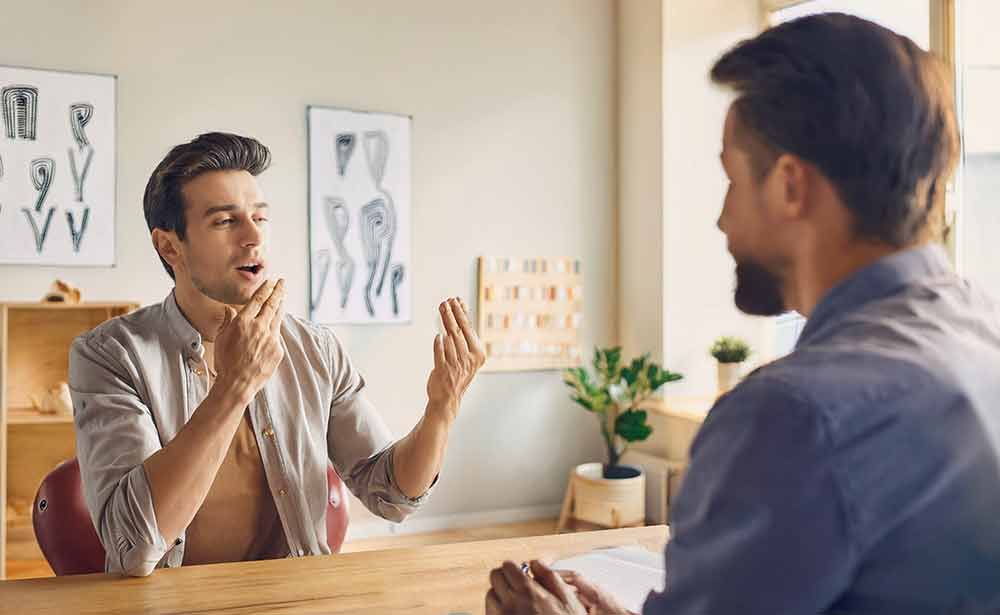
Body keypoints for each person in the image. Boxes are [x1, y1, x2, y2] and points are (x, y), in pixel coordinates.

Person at [487, 13, 1000, 614]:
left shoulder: (791, 418)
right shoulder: (981, 340)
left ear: (789, 186)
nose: (721, 219)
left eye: (730, 180)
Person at [69, 132, 485, 576]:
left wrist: (441, 410)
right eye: (225, 221)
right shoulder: (109, 355)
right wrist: (235, 386)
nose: (253, 238)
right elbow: (131, 546)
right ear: (170, 246)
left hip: (297, 596)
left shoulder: (315, 348)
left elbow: (391, 494)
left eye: (260, 218)